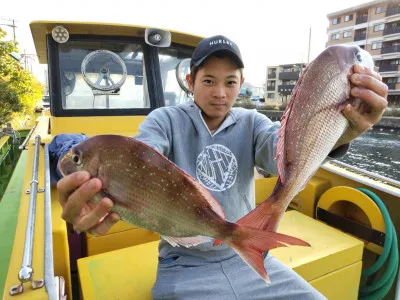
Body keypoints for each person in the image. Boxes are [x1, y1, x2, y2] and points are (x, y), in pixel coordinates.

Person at [54, 35, 388, 299]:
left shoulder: (253, 122)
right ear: (190, 80)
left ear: (241, 84)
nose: (220, 93)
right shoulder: (165, 120)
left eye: (230, 82)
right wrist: (93, 187)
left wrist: (342, 133)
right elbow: (142, 153)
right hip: (182, 262)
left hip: (245, 252)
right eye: (209, 80)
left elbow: (282, 153)